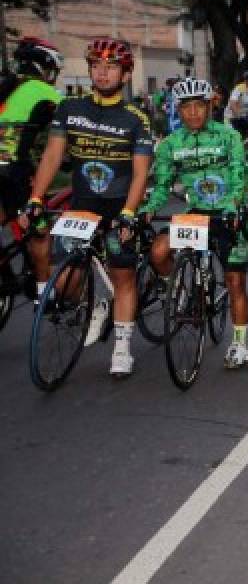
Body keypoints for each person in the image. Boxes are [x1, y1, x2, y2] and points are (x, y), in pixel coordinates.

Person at [20, 37, 154, 377]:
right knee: (63, 283)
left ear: (125, 75)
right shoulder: (70, 109)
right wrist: (37, 197)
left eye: (111, 67)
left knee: (123, 276)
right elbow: (52, 156)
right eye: (96, 66)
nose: (102, 73)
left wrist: (129, 212)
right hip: (82, 206)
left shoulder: (136, 118)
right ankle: (99, 300)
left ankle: (122, 347)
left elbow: (141, 173)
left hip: (119, 206)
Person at [140, 77, 248, 368]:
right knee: (157, 251)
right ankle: (180, 292)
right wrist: (149, 207)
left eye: (199, 106)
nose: (193, 113)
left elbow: (238, 176)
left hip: (227, 215)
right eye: (186, 107)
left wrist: (234, 204)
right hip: (194, 215)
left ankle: (240, 345)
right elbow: (162, 185)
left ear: (210, 107)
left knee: (235, 282)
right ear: (177, 110)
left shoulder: (227, 136)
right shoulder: (170, 144)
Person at [0, 37, 64, 223]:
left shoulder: (7, 86)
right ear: (43, 67)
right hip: (11, 170)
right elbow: (74, 124)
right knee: (38, 230)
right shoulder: (44, 91)